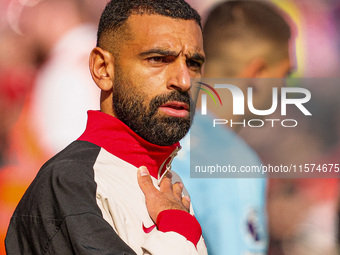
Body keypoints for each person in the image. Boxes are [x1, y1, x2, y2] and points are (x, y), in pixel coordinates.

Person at [5, 0, 207, 254]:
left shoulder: (169, 181)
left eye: (193, 63)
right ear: (103, 69)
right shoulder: (70, 182)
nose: (184, 80)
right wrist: (178, 229)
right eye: (158, 59)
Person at [172, 1, 293, 254]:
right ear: (258, 73)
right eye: (285, 74)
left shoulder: (152, 132)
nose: (285, 89)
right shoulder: (235, 164)